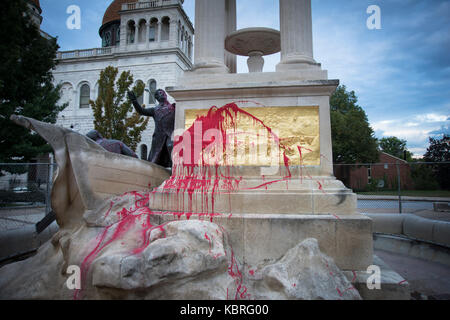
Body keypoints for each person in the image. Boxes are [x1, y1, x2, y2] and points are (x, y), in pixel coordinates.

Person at [128, 89, 175, 167]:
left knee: (171, 146)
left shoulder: (173, 107)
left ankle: (175, 168)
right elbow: (141, 111)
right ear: (157, 98)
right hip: (158, 138)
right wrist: (134, 101)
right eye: (159, 94)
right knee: (155, 159)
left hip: (170, 135)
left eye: (162, 93)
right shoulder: (155, 110)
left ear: (166, 95)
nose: (161, 94)